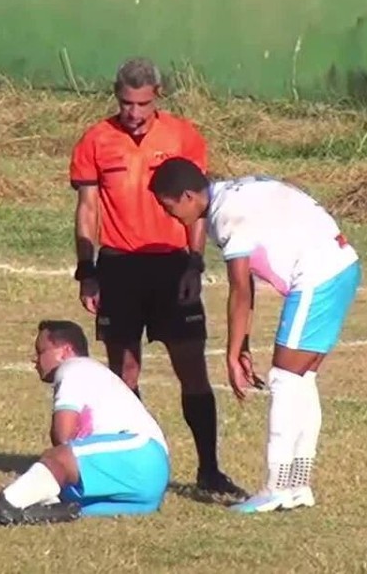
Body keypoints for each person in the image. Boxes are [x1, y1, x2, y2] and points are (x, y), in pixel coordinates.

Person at [67, 57, 244, 497]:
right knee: (123, 373)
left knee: (192, 368)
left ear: (157, 96)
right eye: (126, 103)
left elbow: (197, 206)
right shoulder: (96, 140)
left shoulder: (183, 136)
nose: (134, 113)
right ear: (116, 96)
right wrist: (87, 271)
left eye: (142, 104)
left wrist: (194, 263)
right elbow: (87, 209)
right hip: (119, 268)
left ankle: (209, 470)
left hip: (170, 267)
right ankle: (136, 466)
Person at [147, 158, 362, 514]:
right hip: (340, 264)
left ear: (187, 195)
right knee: (302, 378)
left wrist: (232, 355)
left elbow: (240, 289)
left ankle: (276, 487)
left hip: (318, 275)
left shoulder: (226, 215)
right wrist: (242, 345)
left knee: (284, 379)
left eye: (167, 206)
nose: (168, 215)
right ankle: (298, 484)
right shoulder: (232, 193)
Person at [0, 320, 171, 525]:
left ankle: (6, 502)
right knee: (63, 502)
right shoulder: (92, 374)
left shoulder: (74, 367)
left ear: (66, 351)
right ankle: (24, 511)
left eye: (41, 352)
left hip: (140, 454)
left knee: (59, 458)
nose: (35, 360)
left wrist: (56, 461)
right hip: (145, 480)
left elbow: (62, 437)